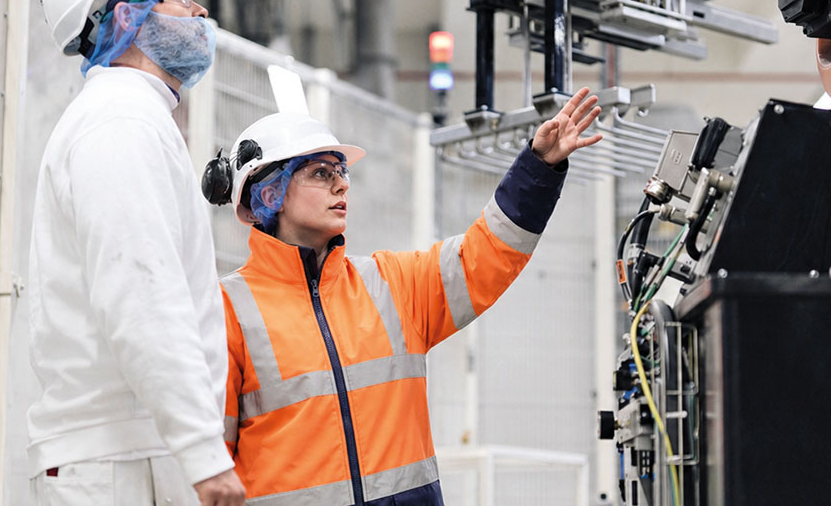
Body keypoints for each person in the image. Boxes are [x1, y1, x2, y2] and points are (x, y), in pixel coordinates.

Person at [201, 89, 603, 505]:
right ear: (269, 194)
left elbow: (485, 255)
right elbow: (208, 461)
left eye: (342, 171)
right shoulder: (227, 310)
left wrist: (537, 169)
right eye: (321, 173)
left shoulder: (391, 283)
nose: (341, 183)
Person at [28, 0, 244, 506]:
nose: (198, 10)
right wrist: (203, 451)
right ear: (126, 19)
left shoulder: (132, 117)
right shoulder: (120, 121)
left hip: (134, 452)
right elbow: (140, 290)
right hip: (117, 462)